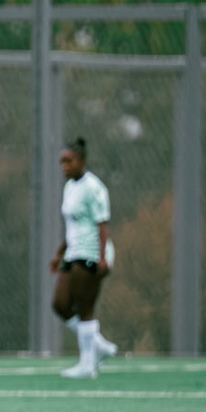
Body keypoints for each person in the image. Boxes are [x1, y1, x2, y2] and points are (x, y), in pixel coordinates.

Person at [51, 137, 119, 378]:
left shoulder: (94, 187)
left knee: (85, 307)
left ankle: (87, 364)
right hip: (73, 252)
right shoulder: (69, 188)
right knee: (60, 304)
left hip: (90, 253)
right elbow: (72, 226)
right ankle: (99, 345)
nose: (64, 166)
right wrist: (59, 254)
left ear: (81, 160)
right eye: (62, 162)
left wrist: (102, 258)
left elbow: (102, 225)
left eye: (69, 161)